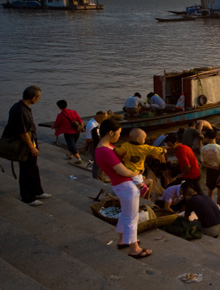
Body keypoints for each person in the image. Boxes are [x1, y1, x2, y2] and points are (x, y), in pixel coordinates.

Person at [94, 118, 151, 258]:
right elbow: (123, 171)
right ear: (111, 132)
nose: (120, 135)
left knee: (125, 214)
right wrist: (138, 172)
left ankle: (122, 240)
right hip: (126, 185)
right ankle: (134, 248)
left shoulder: (104, 148)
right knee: (132, 217)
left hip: (120, 185)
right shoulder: (105, 151)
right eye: (118, 133)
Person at [2, 86, 50, 206]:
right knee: (26, 170)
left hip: (31, 142)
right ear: (34, 97)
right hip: (24, 145)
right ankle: (28, 197)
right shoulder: (20, 111)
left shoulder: (23, 108)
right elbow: (22, 133)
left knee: (33, 168)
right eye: (38, 97)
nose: (39, 99)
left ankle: (38, 191)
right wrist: (31, 147)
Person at [115, 128, 166, 198]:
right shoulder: (144, 147)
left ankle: (144, 193)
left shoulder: (126, 145)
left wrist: (115, 149)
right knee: (141, 185)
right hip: (136, 171)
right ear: (138, 139)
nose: (144, 140)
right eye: (144, 139)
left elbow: (119, 151)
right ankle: (142, 194)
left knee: (140, 181)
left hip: (128, 168)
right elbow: (154, 149)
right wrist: (163, 150)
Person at [52, 99, 84, 164]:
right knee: (73, 144)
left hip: (68, 133)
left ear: (59, 107)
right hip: (76, 132)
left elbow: (57, 124)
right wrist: (82, 128)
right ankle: (71, 155)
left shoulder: (60, 115)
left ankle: (79, 159)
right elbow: (80, 121)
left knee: (71, 146)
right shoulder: (73, 112)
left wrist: (53, 126)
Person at [200, 129, 220, 206]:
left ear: (207, 138)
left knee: (210, 191)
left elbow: (203, 163)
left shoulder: (203, 149)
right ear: (216, 137)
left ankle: (210, 207)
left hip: (210, 171)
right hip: (219, 170)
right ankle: (219, 208)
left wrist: (212, 167)